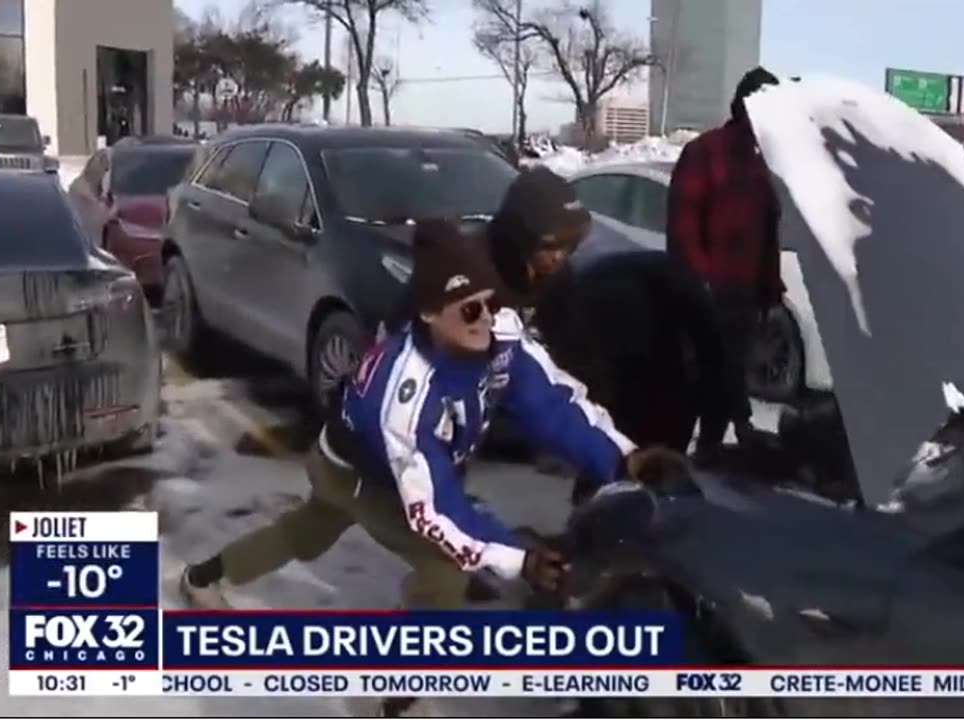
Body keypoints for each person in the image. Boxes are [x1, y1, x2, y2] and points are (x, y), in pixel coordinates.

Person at [179, 219, 688, 618]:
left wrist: (625, 457)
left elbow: (551, 402)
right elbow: (436, 512)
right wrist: (520, 558)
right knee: (443, 572)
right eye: (469, 311)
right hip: (357, 473)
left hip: (375, 462)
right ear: (427, 314)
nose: (487, 320)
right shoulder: (406, 395)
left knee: (308, 533)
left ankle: (202, 578)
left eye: (491, 303)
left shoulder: (498, 332)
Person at [484, 166, 733, 502]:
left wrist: (717, 431)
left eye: (564, 248)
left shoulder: (665, 294)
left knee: (648, 461)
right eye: (550, 248)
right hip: (626, 360)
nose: (556, 257)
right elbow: (565, 383)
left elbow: (715, 356)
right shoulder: (556, 286)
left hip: (653, 363)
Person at [666, 66, 784, 456]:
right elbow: (684, 225)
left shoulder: (765, 162)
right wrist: (700, 285)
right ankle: (669, 468)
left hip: (745, 294)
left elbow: (768, 234)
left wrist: (770, 291)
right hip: (709, 292)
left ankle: (709, 460)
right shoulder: (706, 151)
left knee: (725, 382)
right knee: (694, 386)